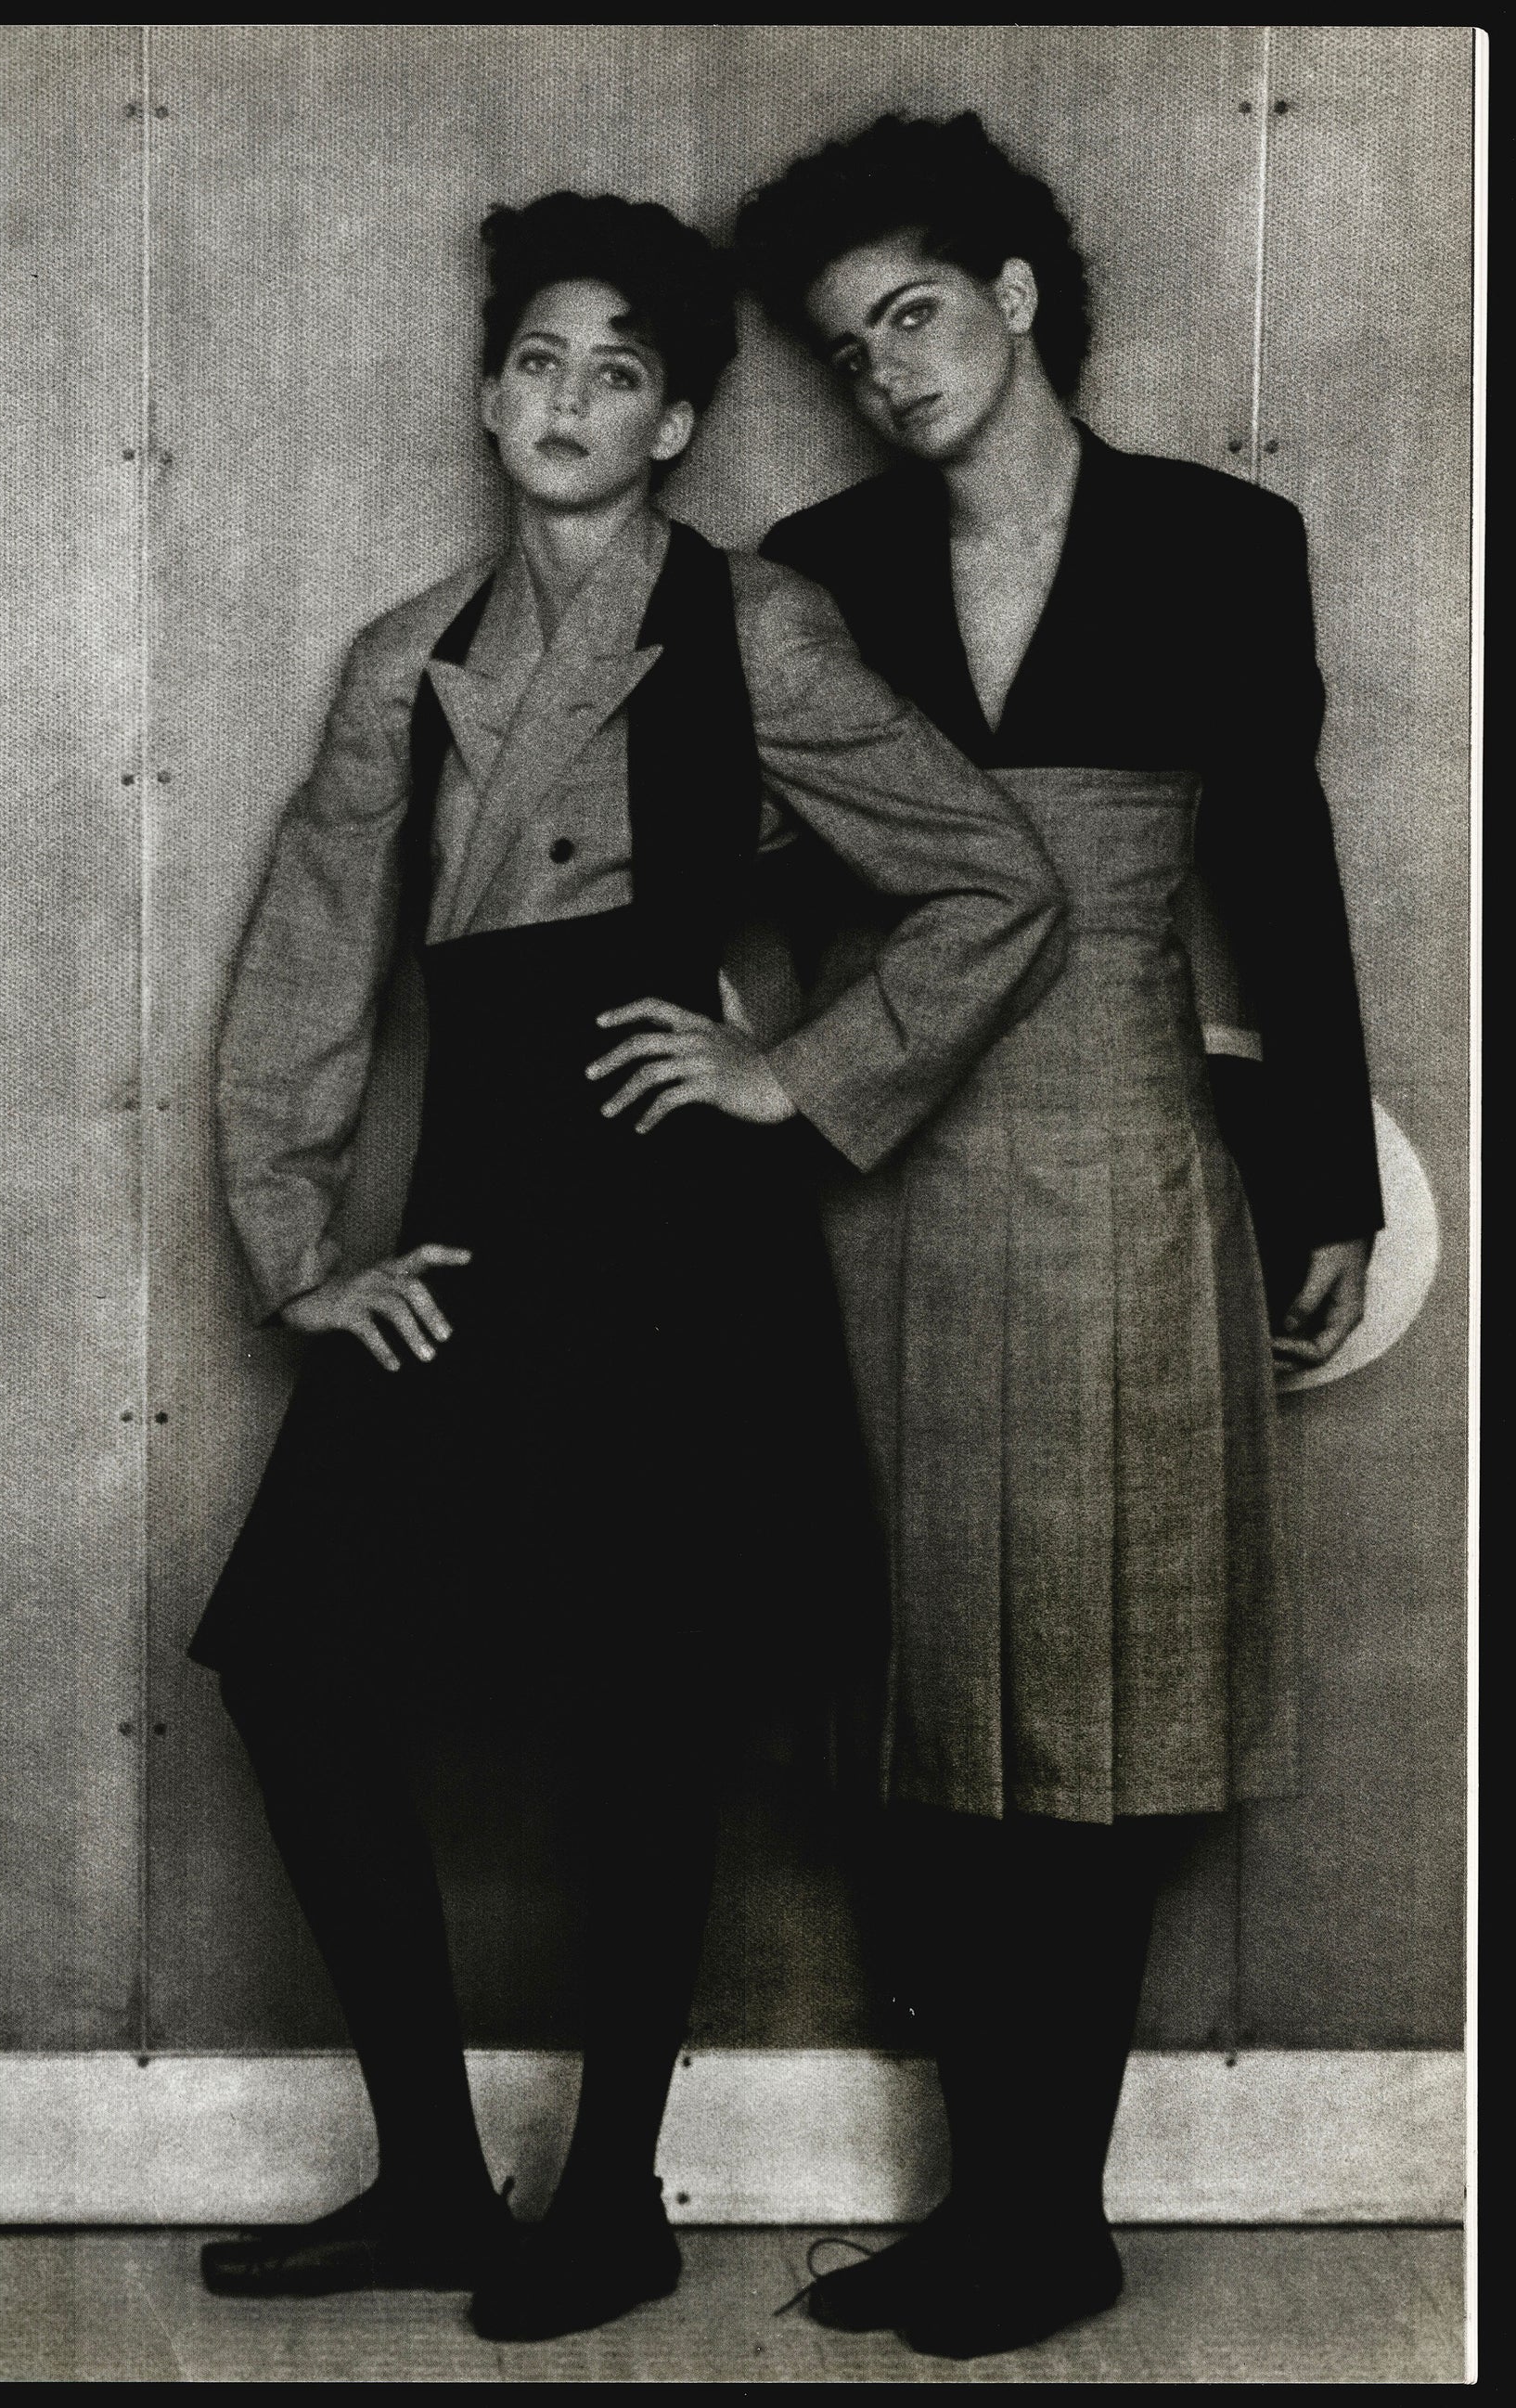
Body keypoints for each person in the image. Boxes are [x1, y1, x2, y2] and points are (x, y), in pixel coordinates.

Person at [188, 187, 1067, 2345]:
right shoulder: (402, 659)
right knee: (298, 1657)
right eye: (536, 362)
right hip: (477, 1203)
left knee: (635, 1704)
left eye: (618, 373)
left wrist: (794, 1071)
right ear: (491, 396)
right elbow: (307, 965)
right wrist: (299, 1247)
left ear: (673, 423)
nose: (567, 400)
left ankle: (612, 2202)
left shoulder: (753, 624)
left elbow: (992, 879)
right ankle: (427, 2174)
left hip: (672, 1228)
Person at [733, 109, 1384, 2360]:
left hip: (1122, 1163)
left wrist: (1321, 1180)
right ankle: (980, 2204)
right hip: (882, 1180)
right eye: (849, 347)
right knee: (923, 1691)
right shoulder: (815, 562)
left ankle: (1049, 2217)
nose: (887, 370)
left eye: (915, 314)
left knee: (1093, 1694)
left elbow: (1278, 868)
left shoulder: (1220, 539)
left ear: (1015, 297)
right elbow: (762, 877)